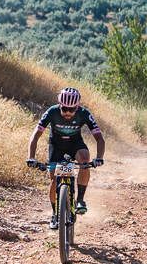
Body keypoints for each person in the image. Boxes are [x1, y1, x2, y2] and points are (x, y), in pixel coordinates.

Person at [26, 87, 105, 229]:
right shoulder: (52, 112)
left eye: (71, 109)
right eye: (64, 109)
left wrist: (99, 157)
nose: (68, 112)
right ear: (60, 105)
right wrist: (31, 157)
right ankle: (55, 214)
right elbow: (35, 135)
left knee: (85, 160)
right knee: (54, 180)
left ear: (77, 107)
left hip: (75, 144)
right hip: (56, 146)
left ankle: (80, 200)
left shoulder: (84, 113)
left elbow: (99, 138)